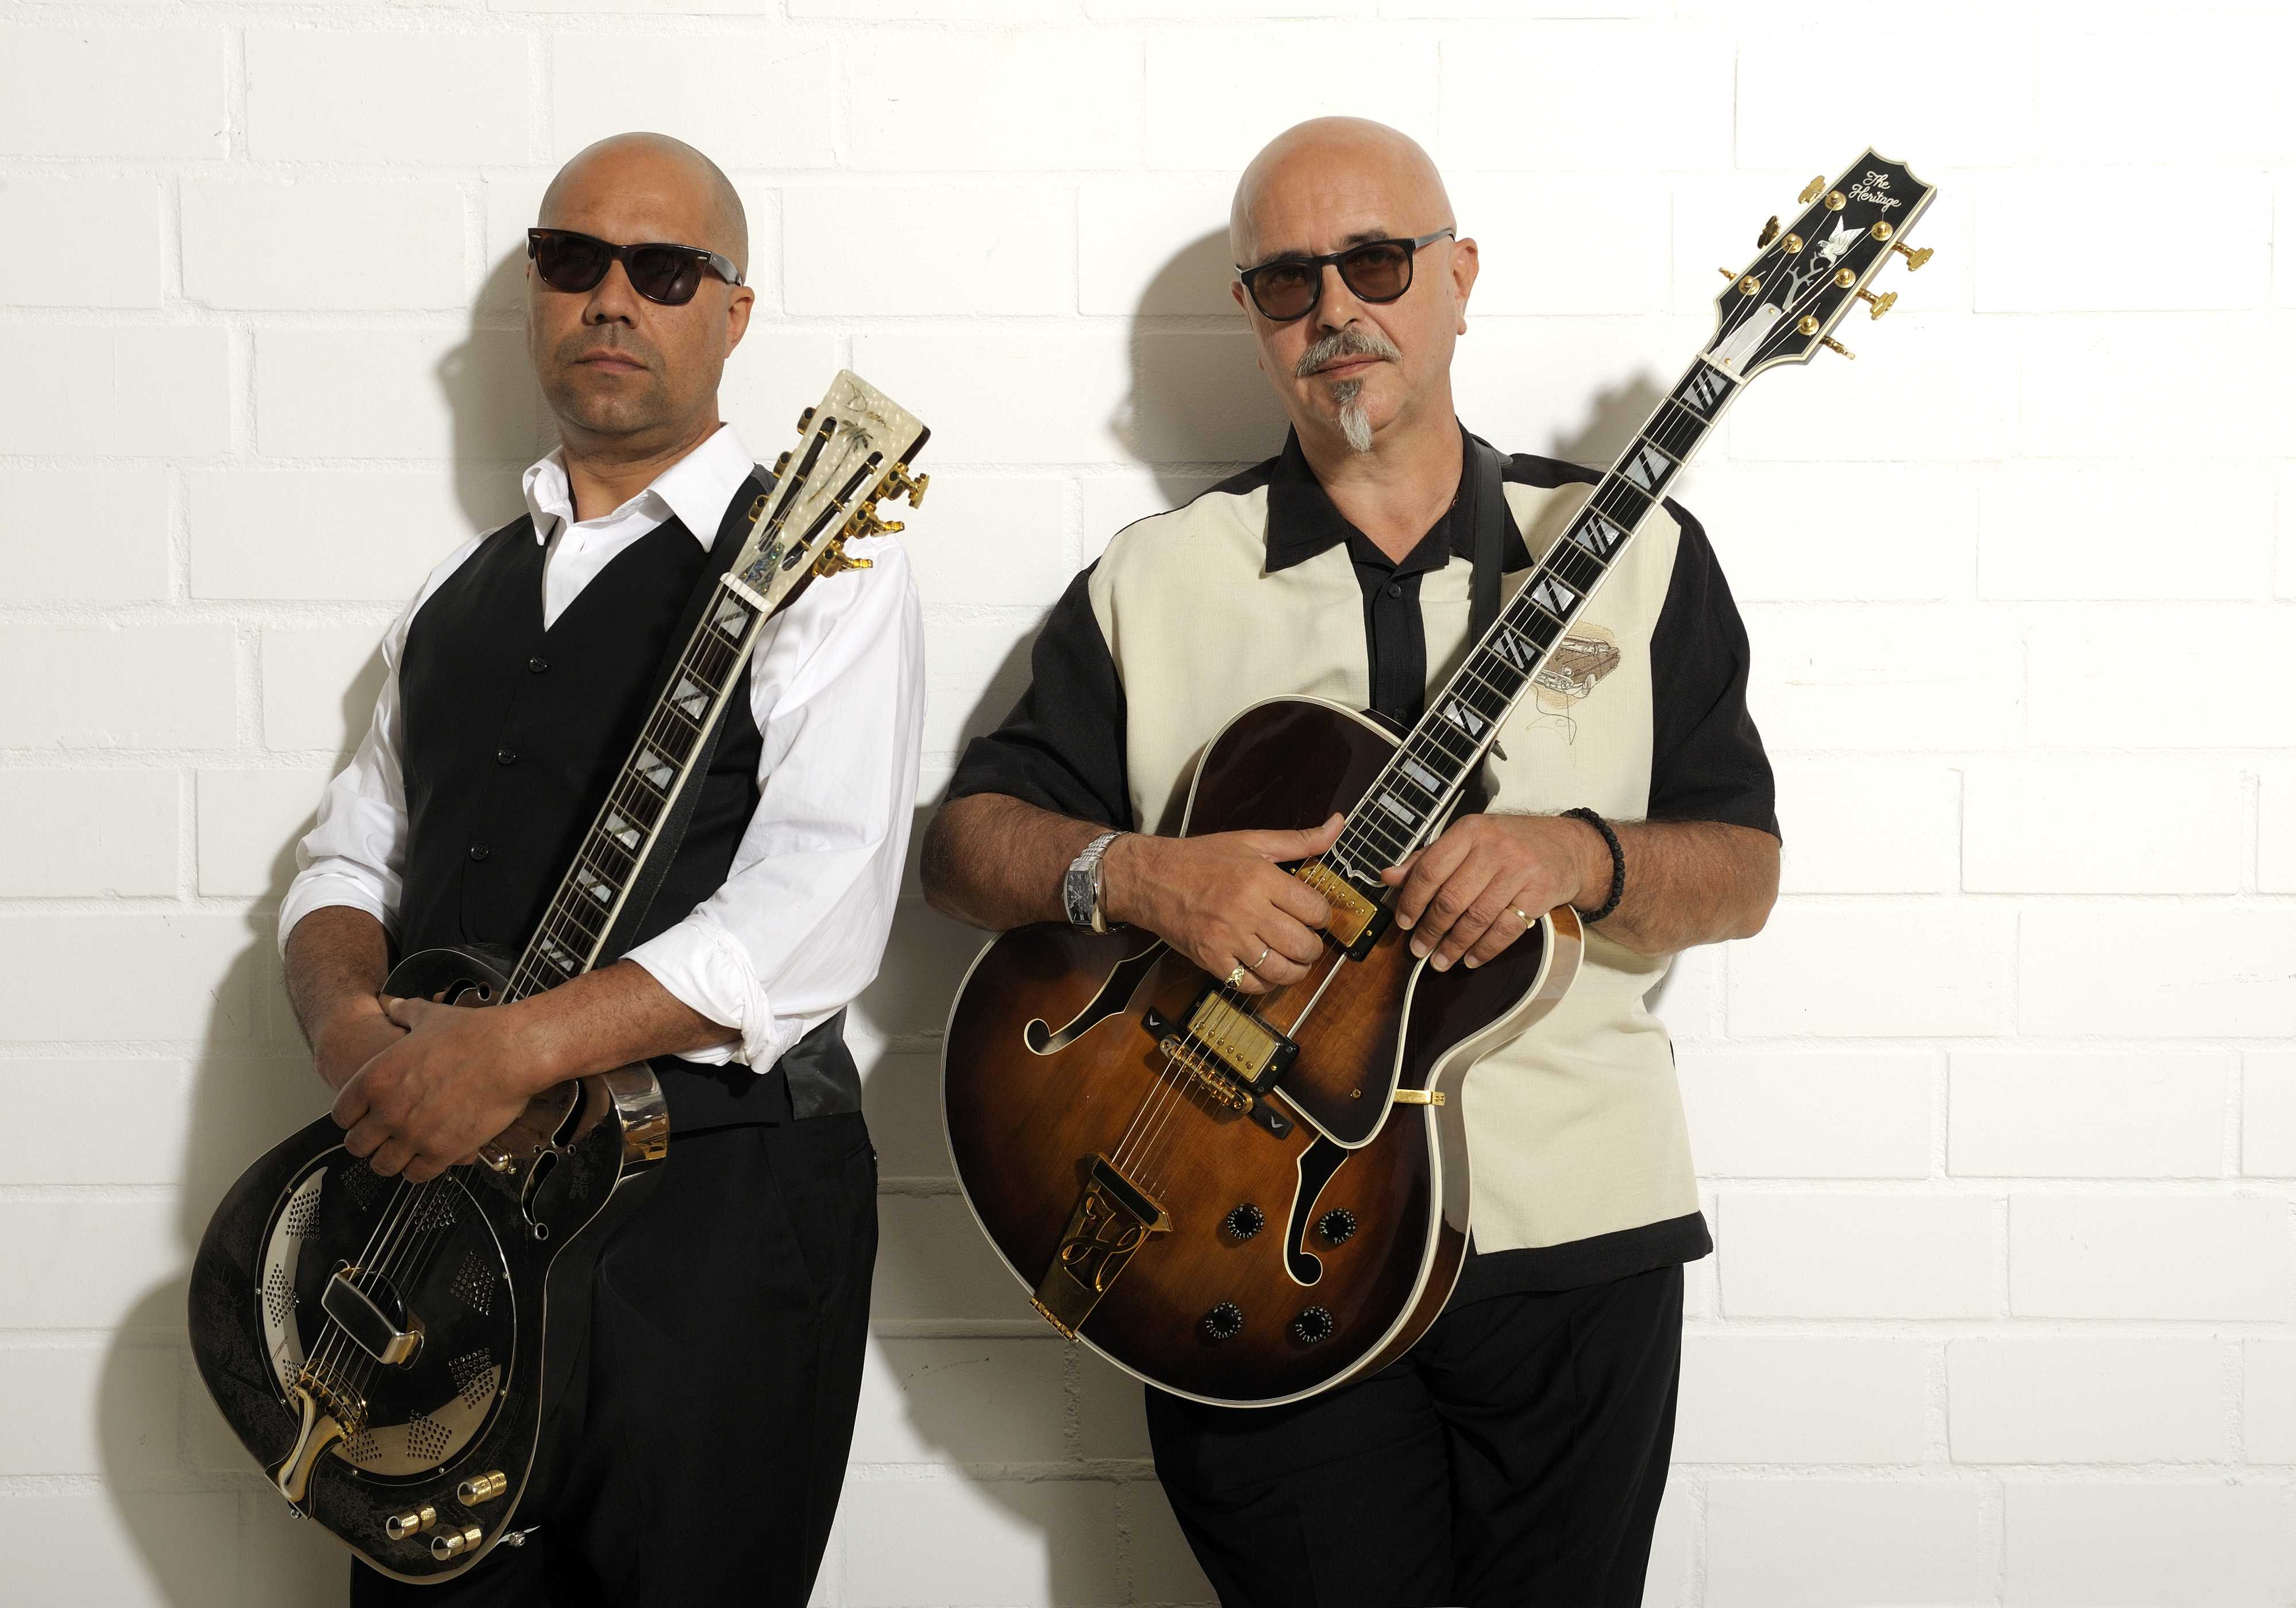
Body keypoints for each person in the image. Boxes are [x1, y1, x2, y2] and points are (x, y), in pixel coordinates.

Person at [920, 117, 1778, 1606]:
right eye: (1287, 281)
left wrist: (1574, 854)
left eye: (1375, 262)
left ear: (1458, 276)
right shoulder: (1156, 578)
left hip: (1576, 1232)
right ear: (1254, 318)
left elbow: (1742, 872)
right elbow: (965, 848)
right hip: (1227, 1233)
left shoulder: (1635, 553)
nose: (1335, 308)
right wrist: (1145, 878)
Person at [279, 132, 922, 1606]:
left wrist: (514, 1049)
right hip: (441, 1220)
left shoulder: (825, 564)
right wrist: (352, 1037)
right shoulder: (455, 593)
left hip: (716, 1220)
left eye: (665, 269)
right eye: (574, 260)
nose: (613, 298)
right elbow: (348, 855)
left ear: (734, 313)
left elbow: (818, 906)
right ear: (536, 292)